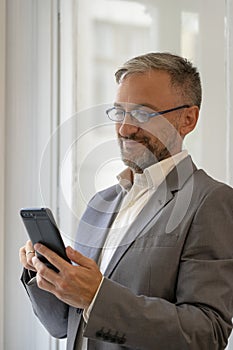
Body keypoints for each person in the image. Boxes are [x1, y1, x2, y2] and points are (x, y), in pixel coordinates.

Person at [19, 52, 233, 350]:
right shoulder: (99, 203)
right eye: (119, 112)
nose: (124, 129)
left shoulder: (210, 200)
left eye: (143, 114)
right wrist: (45, 274)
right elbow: (63, 326)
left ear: (188, 119)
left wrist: (97, 296)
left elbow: (206, 333)